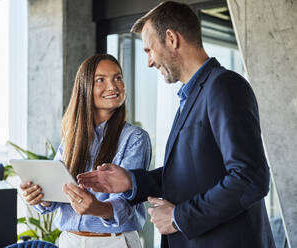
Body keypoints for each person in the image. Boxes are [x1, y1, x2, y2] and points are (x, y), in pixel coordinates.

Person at [77, 2, 275, 248]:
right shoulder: (193, 95)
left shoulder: (224, 87)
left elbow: (250, 178)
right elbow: (191, 172)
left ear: (171, 38)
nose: (149, 62)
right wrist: (131, 181)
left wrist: (179, 217)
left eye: (149, 50)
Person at [20, 54, 151, 248]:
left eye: (118, 78)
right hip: (69, 241)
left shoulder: (135, 138)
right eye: (100, 80)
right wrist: (41, 197)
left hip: (113, 242)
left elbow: (127, 203)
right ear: (85, 88)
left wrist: (98, 208)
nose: (113, 86)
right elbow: (57, 193)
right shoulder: (72, 137)